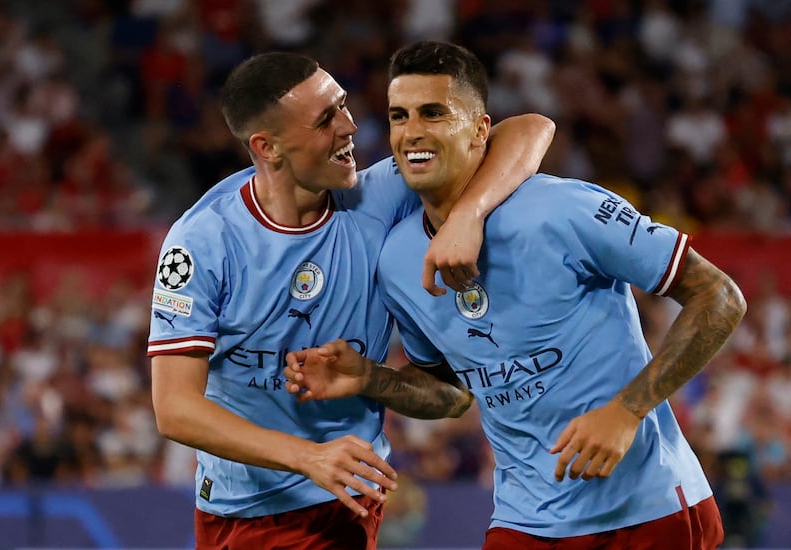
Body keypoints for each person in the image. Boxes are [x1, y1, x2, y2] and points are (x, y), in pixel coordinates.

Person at [284, 41, 747, 549]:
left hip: (647, 510)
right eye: (400, 116)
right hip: (524, 522)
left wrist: (627, 410)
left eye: (434, 113)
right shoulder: (397, 262)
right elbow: (452, 395)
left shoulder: (561, 209)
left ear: (481, 129)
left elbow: (719, 297)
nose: (412, 131)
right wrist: (369, 378)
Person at [147, 49, 555, 550]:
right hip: (245, 511)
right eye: (325, 120)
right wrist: (308, 456)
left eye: (342, 105)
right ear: (267, 146)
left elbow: (531, 129)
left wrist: (470, 215)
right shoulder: (203, 240)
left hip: (346, 501)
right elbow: (174, 409)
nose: (351, 126)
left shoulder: (376, 195)